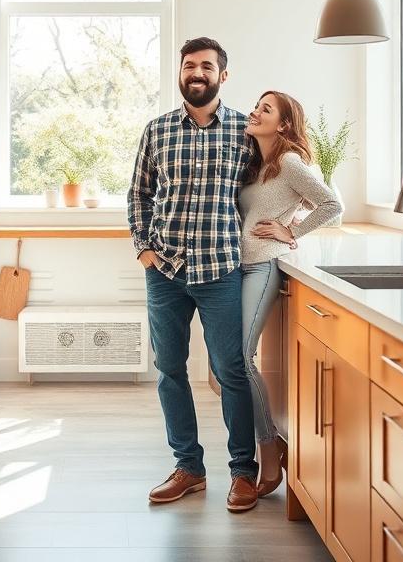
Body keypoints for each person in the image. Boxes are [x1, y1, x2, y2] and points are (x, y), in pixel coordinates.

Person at [128, 37, 260, 513]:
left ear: (222, 75)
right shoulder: (158, 130)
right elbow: (138, 194)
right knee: (169, 370)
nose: (197, 72)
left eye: (207, 66)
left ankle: (244, 472)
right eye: (189, 66)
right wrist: (144, 249)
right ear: (180, 73)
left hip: (222, 268)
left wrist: (283, 223)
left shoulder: (247, 132)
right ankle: (189, 467)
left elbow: (273, 187)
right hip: (164, 271)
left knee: (231, 371)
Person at [238, 91, 342, 496]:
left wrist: (291, 230)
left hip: (263, 265)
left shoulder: (289, 161)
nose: (255, 111)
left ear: (283, 124)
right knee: (229, 363)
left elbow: (332, 204)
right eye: (256, 105)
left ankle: (269, 453)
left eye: (266, 109)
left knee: (241, 358)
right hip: (237, 266)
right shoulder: (254, 162)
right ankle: (271, 440)